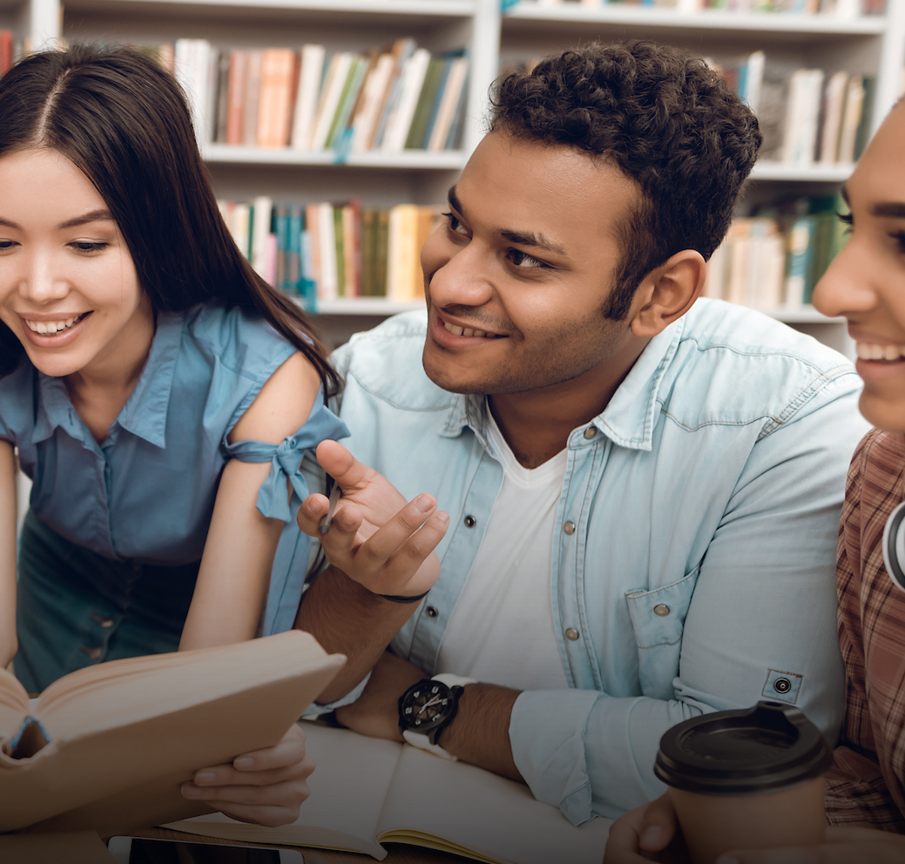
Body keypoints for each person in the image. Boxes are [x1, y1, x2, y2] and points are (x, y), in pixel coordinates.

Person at [285, 40, 867, 824]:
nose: (448, 282)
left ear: (660, 294)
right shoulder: (371, 379)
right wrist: (364, 593)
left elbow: (744, 765)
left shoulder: (787, 421)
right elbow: (282, 684)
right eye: (457, 224)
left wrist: (429, 704)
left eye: (522, 258)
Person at [0, 44, 336, 826]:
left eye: (87, 243)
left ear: (156, 232)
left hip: (189, 617)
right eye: (0, 242)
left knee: (160, 804)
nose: (36, 288)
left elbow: (207, 662)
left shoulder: (264, 374)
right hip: (50, 585)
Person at [604, 103, 905, 864]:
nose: (834, 288)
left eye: (904, 241)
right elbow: (873, 780)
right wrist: (740, 826)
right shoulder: (883, 474)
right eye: (853, 227)